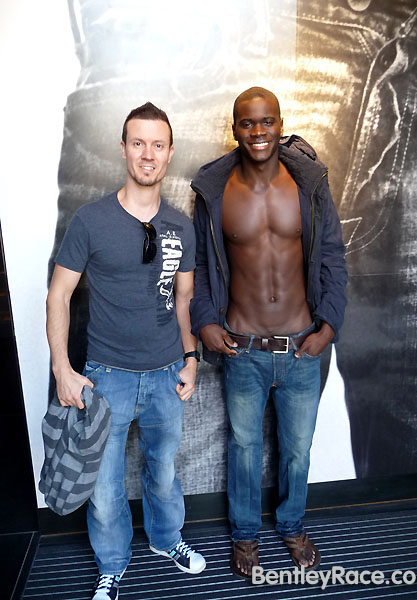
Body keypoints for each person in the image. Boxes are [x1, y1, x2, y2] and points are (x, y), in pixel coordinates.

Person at [46, 102, 206, 600]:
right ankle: (112, 567)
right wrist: (63, 370)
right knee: (104, 489)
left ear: (170, 152)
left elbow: (184, 299)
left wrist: (191, 358)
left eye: (158, 145)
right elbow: (58, 296)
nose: (148, 154)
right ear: (123, 149)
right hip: (106, 377)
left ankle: (166, 540)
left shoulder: (181, 226)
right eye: (138, 143)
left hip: (166, 374)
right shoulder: (91, 220)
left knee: (164, 473)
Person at [190, 87, 347, 578]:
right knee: (243, 449)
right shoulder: (216, 191)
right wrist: (205, 321)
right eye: (247, 123)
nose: (258, 132)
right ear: (234, 128)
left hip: (302, 347)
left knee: (297, 451)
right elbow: (200, 264)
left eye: (266, 121)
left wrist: (329, 326)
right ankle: (244, 535)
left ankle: (293, 527)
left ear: (280, 124)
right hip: (244, 348)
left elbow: (333, 256)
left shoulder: (309, 185)